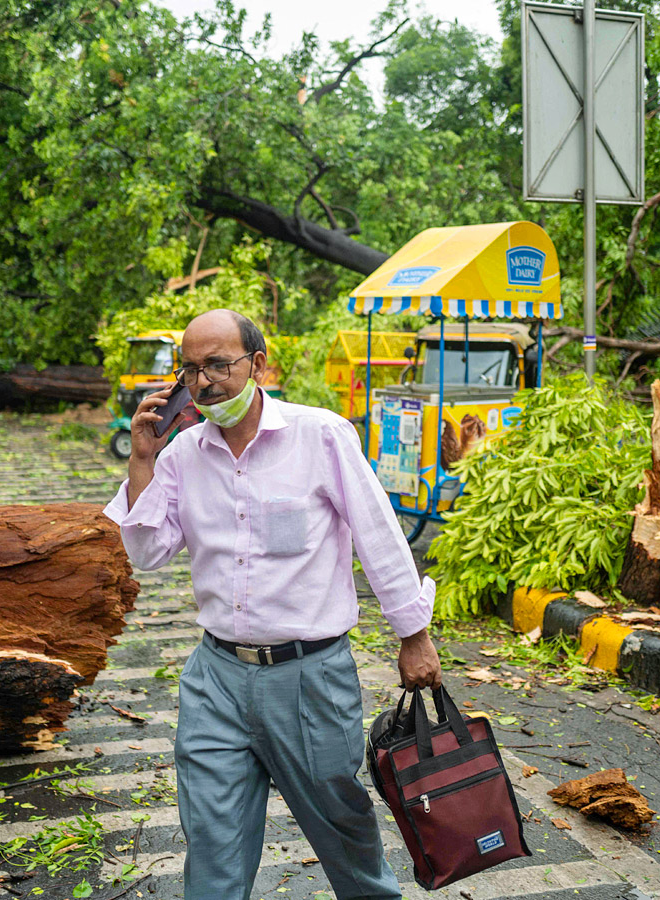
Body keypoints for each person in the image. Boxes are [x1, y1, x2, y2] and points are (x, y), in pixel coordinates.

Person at [103, 309, 441, 900]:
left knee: (346, 835)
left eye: (218, 364)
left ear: (257, 365)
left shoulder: (321, 436)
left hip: (310, 679)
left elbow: (378, 535)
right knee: (212, 841)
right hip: (217, 679)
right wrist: (142, 462)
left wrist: (413, 634)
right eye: (191, 368)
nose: (204, 381)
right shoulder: (182, 456)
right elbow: (149, 552)